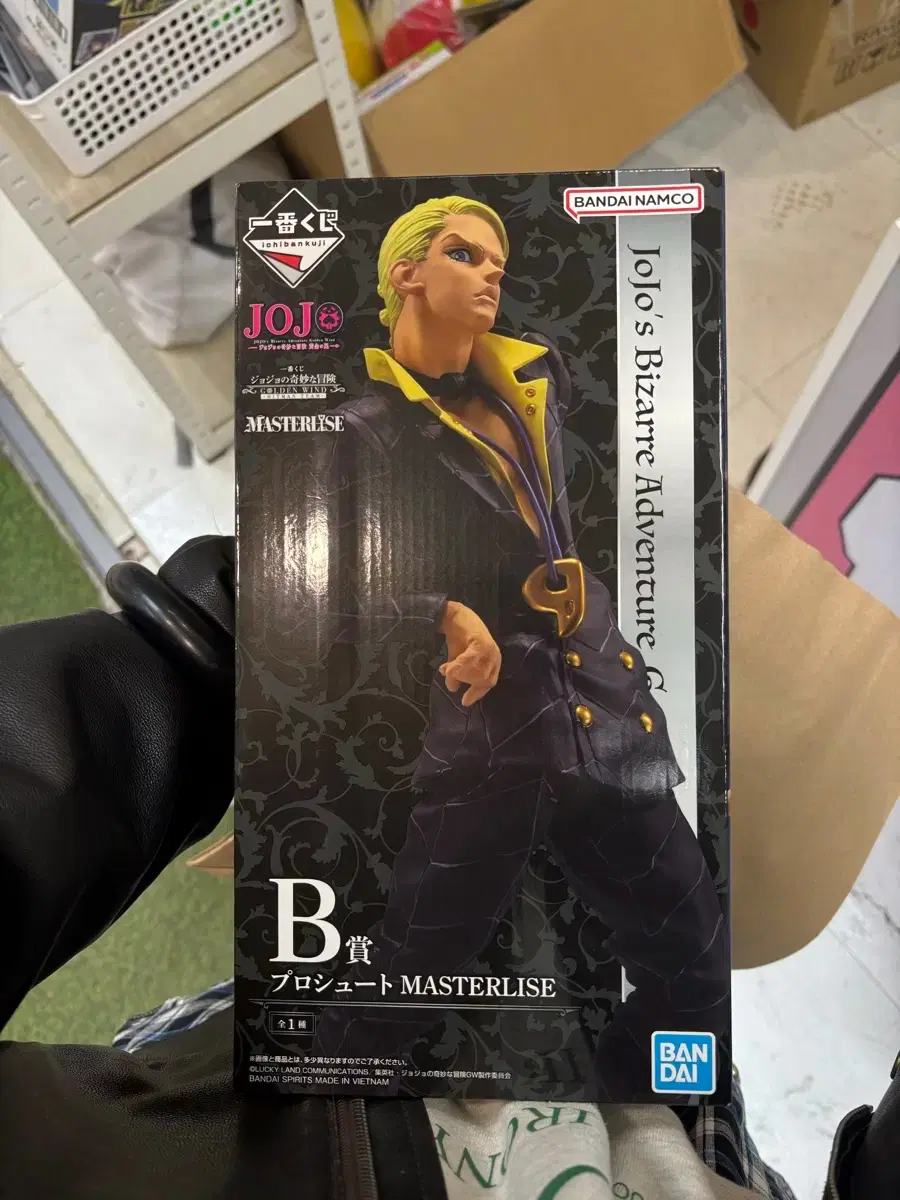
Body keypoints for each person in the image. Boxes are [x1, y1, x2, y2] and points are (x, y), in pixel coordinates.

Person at [0, 534, 896, 1199]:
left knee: (656, 951)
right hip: (648, 1127)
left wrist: (188, 659)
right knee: (465, 950)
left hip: (273, 1086)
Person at [308, 196, 728, 1100]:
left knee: (690, 944)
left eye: (496, 257)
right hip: (492, 732)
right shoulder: (367, 431)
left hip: (598, 699)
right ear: (405, 274)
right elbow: (326, 590)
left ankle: (650, 1114)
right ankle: (328, 1109)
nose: (492, 270)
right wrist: (442, 613)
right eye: (464, 254)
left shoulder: (535, 374)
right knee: (411, 972)